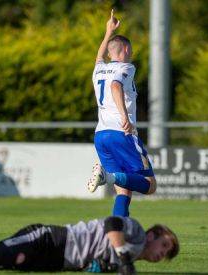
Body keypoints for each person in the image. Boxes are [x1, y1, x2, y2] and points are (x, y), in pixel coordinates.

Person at [87, 10, 156, 217]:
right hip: (121, 133)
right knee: (149, 185)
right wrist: (125, 117)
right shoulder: (126, 67)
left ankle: (117, 237)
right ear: (125, 49)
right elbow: (116, 87)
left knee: (123, 191)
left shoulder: (99, 69)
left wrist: (108, 31)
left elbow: (99, 55)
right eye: (131, 49)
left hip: (101, 136)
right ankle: (106, 177)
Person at [0, 216, 179, 273]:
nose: (163, 254)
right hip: (48, 240)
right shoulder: (138, 233)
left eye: (166, 254)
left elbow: (92, 262)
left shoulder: (130, 258)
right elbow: (111, 223)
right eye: (165, 246)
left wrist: (98, 267)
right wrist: (123, 259)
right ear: (153, 235)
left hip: (54, 261)